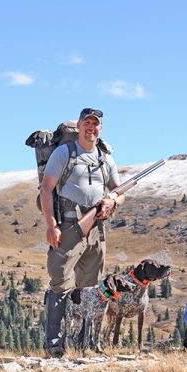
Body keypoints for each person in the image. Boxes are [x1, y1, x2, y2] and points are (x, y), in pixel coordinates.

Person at [39, 107, 123, 356]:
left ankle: (86, 342)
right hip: (67, 226)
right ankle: (54, 344)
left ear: (100, 128)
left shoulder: (105, 158)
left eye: (95, 124)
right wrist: (51, 225)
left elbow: (119, 190)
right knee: (60, 283)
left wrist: (112, 201)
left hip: (96, 229)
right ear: (79, 125)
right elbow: (46, 189)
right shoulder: (64, 153)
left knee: (89, 288)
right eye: (87, 123)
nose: (91, 127)